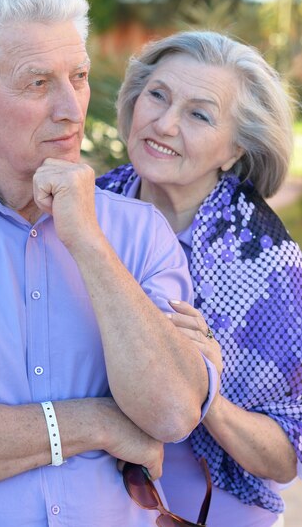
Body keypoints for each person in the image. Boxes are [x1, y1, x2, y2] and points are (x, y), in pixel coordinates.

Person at [0, 0, 215, 527]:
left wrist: (87, 239)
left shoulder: (138, 232)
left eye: (79, 76)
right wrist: (98, 422)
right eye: (38, 83)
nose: (71, 108)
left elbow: (173, 411)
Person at [97, 30, 302, 527]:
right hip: (85, 506)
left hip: (206, 515)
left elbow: (285, 457)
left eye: (199, 114)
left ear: (234, 149)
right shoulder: (82, 216)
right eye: (158, 96)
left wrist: (199, 390)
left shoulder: (268, 267)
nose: (164, 124)